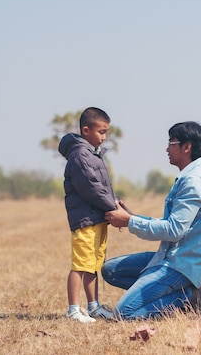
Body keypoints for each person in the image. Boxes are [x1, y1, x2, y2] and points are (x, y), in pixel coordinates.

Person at [102, 121, 201, 320]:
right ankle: (165, 291)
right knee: (111, 270)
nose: (167, 149)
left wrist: (129, 222)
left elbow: (174, 230)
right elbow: (174, 223)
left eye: (171, 143)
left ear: (187, 147)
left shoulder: (194, 181)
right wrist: (133, 216)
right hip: (169, 256)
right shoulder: (193, 176)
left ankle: (188, 298)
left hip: (180, 264)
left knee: (123, 313)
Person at [58, 107, 117, 323]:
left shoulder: (93, 155)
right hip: (85, 220)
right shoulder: (80, 156)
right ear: (86, 130)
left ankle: (94, 306)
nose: (104, 137)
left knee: (92, 264)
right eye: (101, 132)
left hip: (97, 218)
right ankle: (73, 309)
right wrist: (112, 207)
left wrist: (117, 206)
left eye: (106, 132)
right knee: (80, 264)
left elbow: (104, 188)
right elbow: (91, 188)